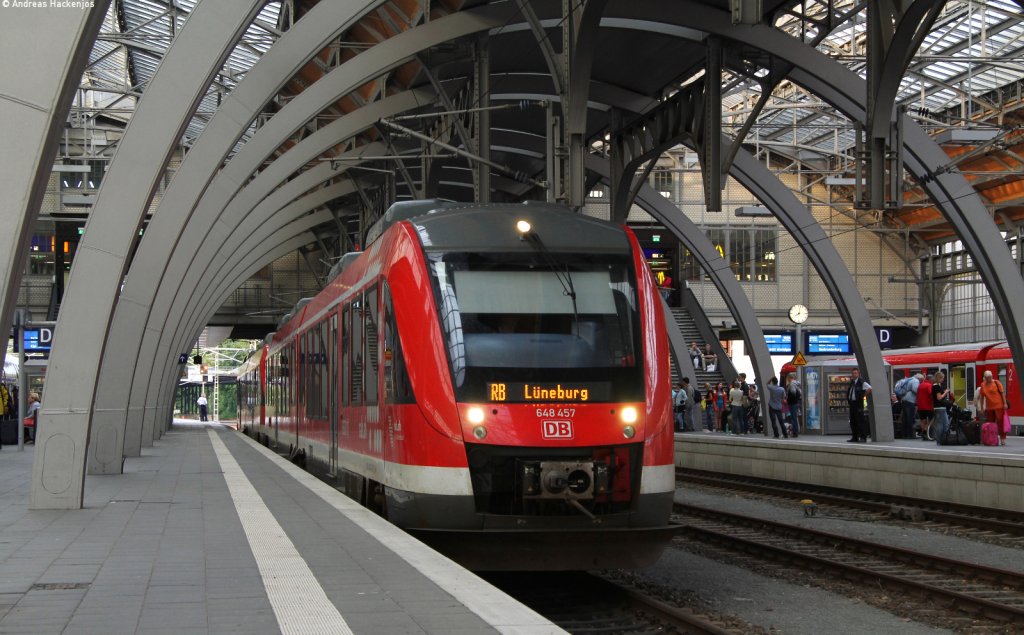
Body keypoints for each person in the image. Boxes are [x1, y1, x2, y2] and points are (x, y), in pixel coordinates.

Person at [978, 369, 1007, 445]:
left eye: (990, 377)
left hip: (999, 406)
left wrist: (1005, 404)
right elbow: (981, 397)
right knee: (991, 424)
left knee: (1000, 422)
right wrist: (982, 408)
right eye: (987, 377)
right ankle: (992, 438)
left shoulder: (997, 383)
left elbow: (1002, 393)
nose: (989, 378)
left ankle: (1002, 438)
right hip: (989, 407)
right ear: (985, 377)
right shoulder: (983, 385)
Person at [847, 368, 872, 443]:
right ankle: (855, 437)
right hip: (852, 404)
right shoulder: (852, 382)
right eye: (853, 373)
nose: (854, 374)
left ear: (858, 374)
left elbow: (870, 388)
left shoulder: (861, 382)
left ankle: (863, 437)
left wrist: (863, 396)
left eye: (855, 373)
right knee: (853, 421)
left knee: (860, 421)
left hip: (858, 404)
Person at [897, 373, 921, 439]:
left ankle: (904, 434)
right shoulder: (916, 381)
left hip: (904, 399)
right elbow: (915, 389)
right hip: (910, 401)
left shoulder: (910, 379)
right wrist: (920, 392)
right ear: (919, 378)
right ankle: (909, 435)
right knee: (910, 418)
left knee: (905, 418)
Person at [931, 371, 952, 445]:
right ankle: (940, 440)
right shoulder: (937, 387)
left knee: (942, 424)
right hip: (940, 408)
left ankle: (941, 440)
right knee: (942, 424)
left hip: (938, 408)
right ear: (939, 378)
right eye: (942, 378)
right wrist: (946, 392)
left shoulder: (934, 386)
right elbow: (939, 398)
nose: (943, 380)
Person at [916, 373, 934, 441]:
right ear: (930, 380)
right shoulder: (929, 385)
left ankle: (924, 434)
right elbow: (931, 394)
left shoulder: (920, 385)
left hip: (920, 406)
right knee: (932, 419)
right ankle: (925, 431)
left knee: (922, 420)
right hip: (928, 406)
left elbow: (917, 395)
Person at [785, 372, 802, 438]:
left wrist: (788, 399)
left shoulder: (792, 384)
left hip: (792, 403)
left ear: (790, 378)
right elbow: (799, 394)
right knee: (795, 417)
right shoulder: (797, 384)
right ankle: (796, 431)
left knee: (793, 418)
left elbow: (793, 393)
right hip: (796, 403)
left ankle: (795, 432)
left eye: (788, 378)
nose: (788, 379)